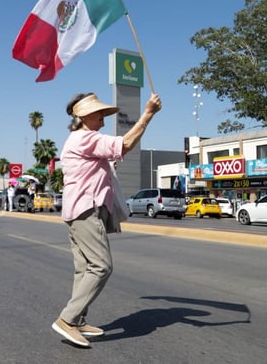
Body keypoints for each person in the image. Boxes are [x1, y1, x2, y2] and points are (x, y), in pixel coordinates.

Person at [51, 92, 161, 347]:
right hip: (86, 210)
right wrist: (148, 114)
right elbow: (124, 144)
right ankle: (66, 319)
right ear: (84, 116)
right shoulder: (85, 138)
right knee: (101, 266)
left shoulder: (79, 139)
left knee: (84, 269)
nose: (103, 118)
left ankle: (77, 320)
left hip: (78, 210)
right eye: (99, 114)